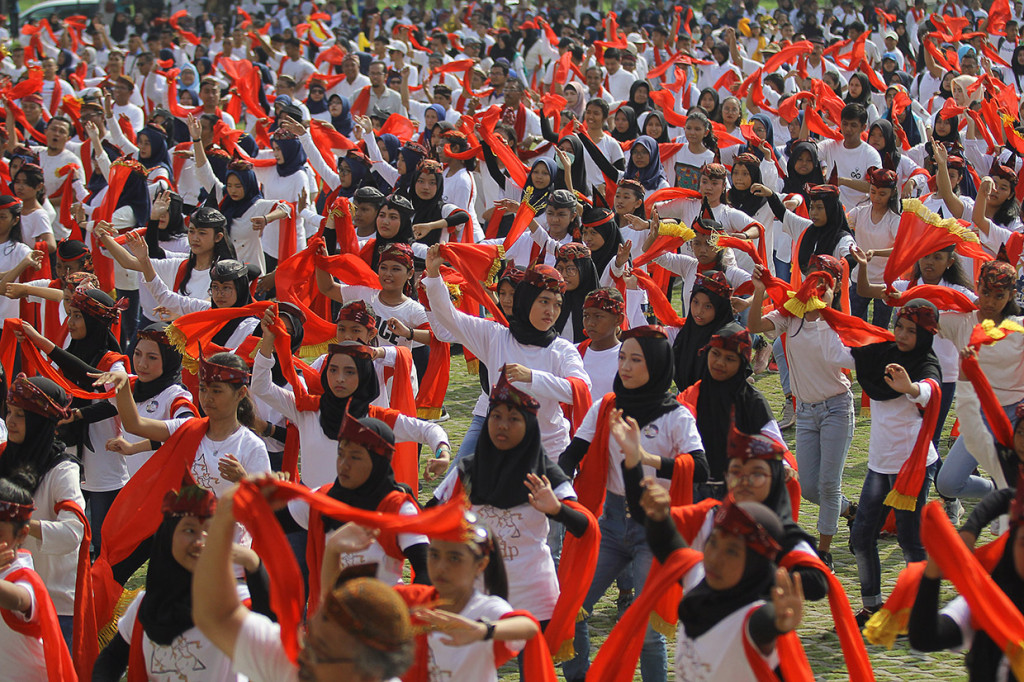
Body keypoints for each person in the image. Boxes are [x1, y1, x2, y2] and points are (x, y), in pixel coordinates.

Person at [558, 326, 707, 682]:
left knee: (648, 632)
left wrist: (645, 457)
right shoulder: (607, 407)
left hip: (654, 530)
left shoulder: (676, 416)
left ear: (656, 365)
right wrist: (559, 488)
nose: (624, 366)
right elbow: (571, 455)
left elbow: (700, 467)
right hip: (609, 523)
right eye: (622, 357)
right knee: (572, 607)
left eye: (635, 360)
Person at [193, 477, 417, 682]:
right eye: (308, 639)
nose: (304, 656)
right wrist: (227, 512)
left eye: (321, 649)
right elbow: (216, 617)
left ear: (369, 675)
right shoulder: (291, 668)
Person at [91, 485, 270, 682]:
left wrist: (254, 565)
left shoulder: (233, 603)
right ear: (168, 538)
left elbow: (274, 635)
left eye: (210, 531)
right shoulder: (146, 605)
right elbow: (112, 658)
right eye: (190, 530)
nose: (200, 541)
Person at [1, 375, 85, 650]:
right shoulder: (4, 456)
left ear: (39, 421)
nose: (10, 421)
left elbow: (73, 533)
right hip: (7, 592)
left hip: (53, 603)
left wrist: (20, 519)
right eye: (9, 411)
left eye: (21, 415)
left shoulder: (62, 470)